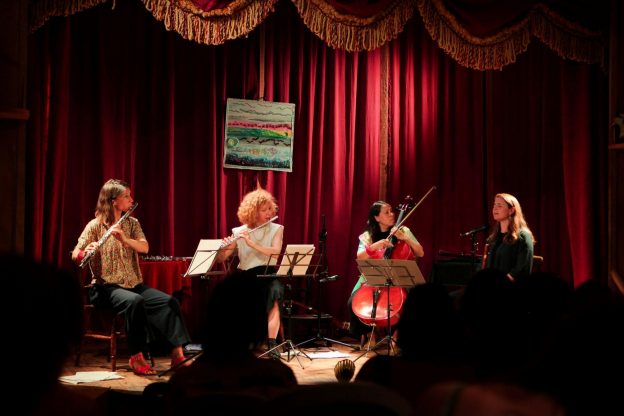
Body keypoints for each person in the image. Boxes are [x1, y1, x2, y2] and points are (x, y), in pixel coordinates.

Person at [71, 179, 191, 375]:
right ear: (113, 201)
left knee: (169, 302)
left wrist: (125, 239)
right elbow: (75, 253)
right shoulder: (95, 226)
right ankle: (137, 355)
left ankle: (177, 354)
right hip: (105, 288)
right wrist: (86, 252)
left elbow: (145, 247)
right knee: (135, 302)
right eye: (126, 196)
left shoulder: (132, 224)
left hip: (133, 285)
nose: (131, 199)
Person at [216, 187, 284, 358]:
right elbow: (221, 258)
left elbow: (276, 252)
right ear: (253, 212)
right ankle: (239, 342)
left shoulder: (277, 229)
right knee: (233, 295)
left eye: (270, 209)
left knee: (274, 293)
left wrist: (251, 243)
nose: (269, 213)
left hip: (267, 273)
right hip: (246, 275)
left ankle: (272, 343)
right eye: (264, 210)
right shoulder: (239, 231)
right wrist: (221, 248)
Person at [348, 200, 424, 345]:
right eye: (386, 212)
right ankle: (369, 334)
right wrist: (374, 247)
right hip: (373, 277)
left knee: (411, 301)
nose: (392, 214)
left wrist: (405, 238)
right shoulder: (368, 235)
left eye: (391, 211)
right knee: (352, 302)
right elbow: (360, 257)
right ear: (377, 217)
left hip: (399, 277)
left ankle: (398, 334)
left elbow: (420, 252)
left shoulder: (404, 230)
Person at [483, 193, 535, 282]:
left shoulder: (523, 236)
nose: (495, 208)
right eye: (494, 205)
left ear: (511, 210)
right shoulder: (493, 239)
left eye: (499, 205)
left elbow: (521, 269)